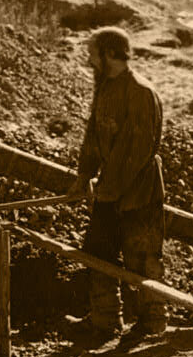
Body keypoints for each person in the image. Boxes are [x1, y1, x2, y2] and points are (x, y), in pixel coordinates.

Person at [68, 26, 168, 336]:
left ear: (110, 53)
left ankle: (152, 322)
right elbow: (93, 137)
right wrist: (84, 175)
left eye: (93, 54)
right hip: (110, 188)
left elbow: (133, 152)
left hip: (139, 190)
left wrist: (109, 190)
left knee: (142, 257)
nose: (90, 61)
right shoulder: (105, 88)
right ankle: (105, 317)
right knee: (98, 251)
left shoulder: (140, 93)